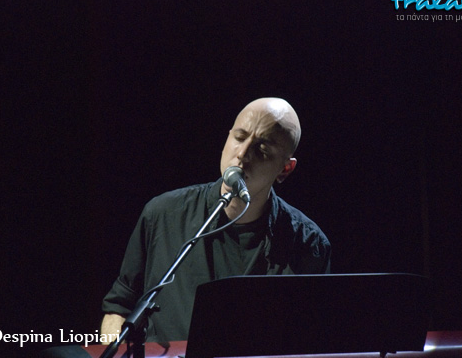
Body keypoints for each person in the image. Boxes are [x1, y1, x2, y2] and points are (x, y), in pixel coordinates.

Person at [101, 97, 331, 343]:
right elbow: (119, 308)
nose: (242, 154)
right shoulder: (162, 214)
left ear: (285, 169)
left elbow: (313, 339)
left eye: (262, 149)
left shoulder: (308, 244)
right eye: (239, 138)